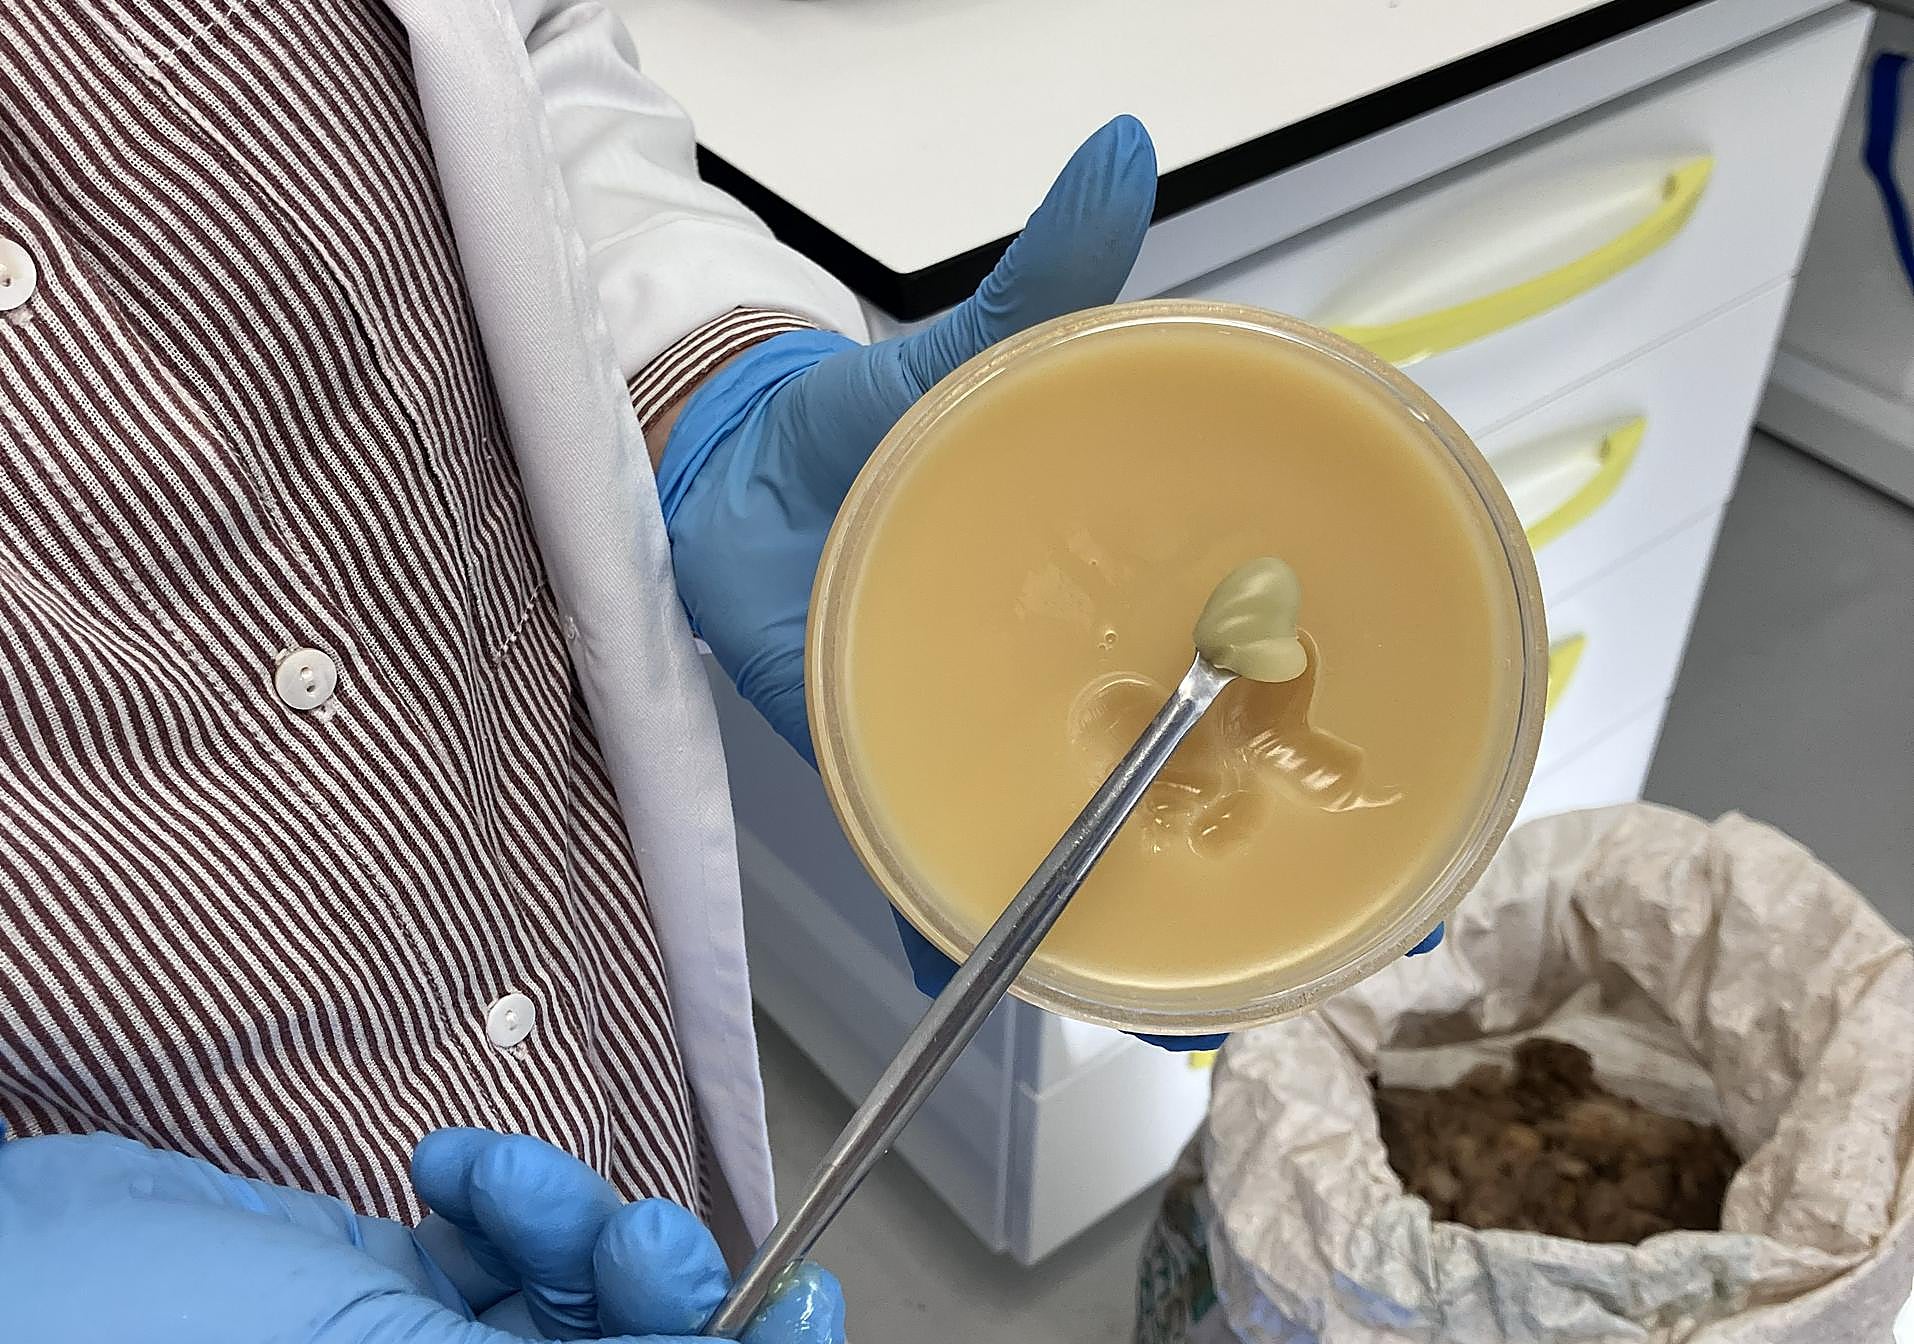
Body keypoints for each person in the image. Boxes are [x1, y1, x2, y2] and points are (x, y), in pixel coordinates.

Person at [0, 2, 1438, 1337]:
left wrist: (699, 386)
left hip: (558, 950)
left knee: (634, 1256)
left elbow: (528, 45)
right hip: (126, 1167)